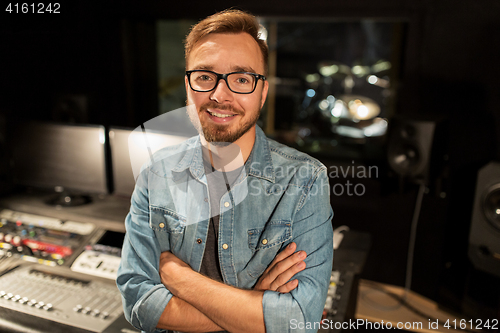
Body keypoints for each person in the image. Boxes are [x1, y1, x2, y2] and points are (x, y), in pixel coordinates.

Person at [117, 9, 334, 333]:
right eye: (205, 76)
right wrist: (252, 304)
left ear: (262, 93)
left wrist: (180, 278)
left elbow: (299, 321)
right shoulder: (156, 171)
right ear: (188, 86)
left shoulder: (304, 179)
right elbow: (137, 303)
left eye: (242, 79)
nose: (220, 95)